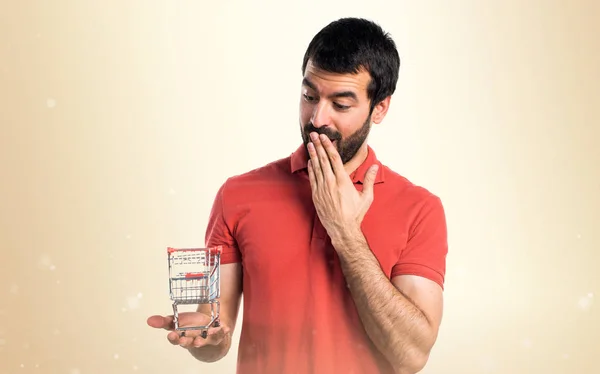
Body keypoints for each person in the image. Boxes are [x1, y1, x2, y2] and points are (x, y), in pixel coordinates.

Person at [148, 17, 448, 374]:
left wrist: (347, 234)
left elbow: (411, 356)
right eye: (309, 96)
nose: (317, 119)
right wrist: (205, 338)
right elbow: (216, 333)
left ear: (379, 107)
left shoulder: (420, 209)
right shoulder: (237, 195)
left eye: (341, 104)